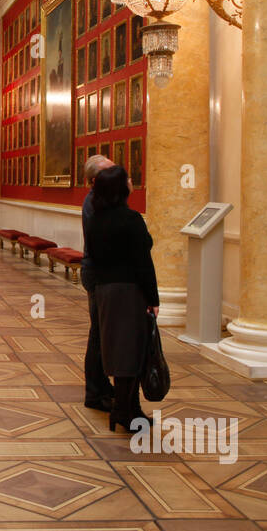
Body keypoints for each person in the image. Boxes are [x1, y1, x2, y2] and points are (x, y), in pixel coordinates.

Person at [83, 165, 159, 432]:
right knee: (132, 350)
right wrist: (153, 298)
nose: (131, 181)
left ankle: (127, 408)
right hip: (128, 291)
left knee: (116, 348)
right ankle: (126, 411)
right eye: (128, 179)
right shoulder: (131, 219)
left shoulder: (96, 221)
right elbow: (143, 263)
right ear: (120, 187)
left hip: (104, 290)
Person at [80, 153, 114, 411]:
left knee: (103, 333)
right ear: (94, 180)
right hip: (100, 275)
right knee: (99, 334)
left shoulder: (102, 201)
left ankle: (102, 387)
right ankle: (95, 391)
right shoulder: (95, 203)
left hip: (103, 274)